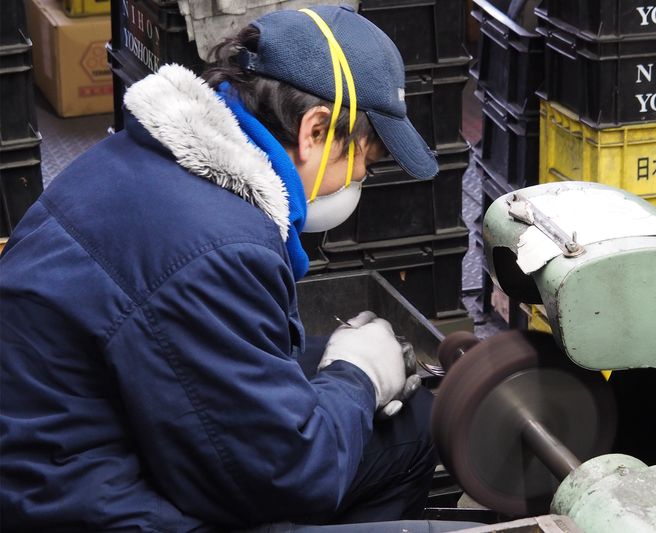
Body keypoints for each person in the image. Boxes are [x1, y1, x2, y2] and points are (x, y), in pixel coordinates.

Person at [0, 6, 478, 532]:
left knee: (411, 425)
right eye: (367, 157)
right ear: (316, 130)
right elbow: (287, 476)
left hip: (77, 451)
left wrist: (336, 369)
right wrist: (357, 378)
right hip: (84, 506)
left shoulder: (142, 159)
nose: (362, 175)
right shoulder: (220, 247)